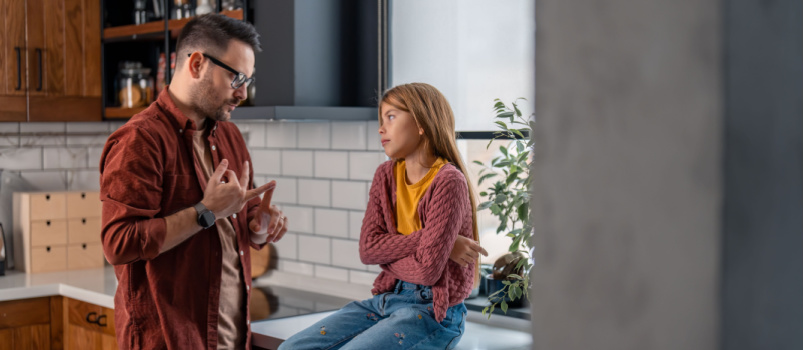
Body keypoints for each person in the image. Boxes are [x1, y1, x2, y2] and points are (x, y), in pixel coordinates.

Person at [99, 14, 288, 350]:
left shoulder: (229, 134)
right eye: (237, 77)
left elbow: (235, 218)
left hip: (230, 338)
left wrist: (257, 225)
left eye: (249, 80)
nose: (243, 92)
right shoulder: (139, 140)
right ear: (197, 63)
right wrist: (205, 211)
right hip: (169, 340)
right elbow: (119, 243)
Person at [279, 83, 488, 350]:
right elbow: (368, 250)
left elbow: (426, 271)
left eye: (391, 116)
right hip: (387, 299)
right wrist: (432, 240)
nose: (381, 128)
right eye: (381, 119)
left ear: (422, 122)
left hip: (433, 310)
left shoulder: (448, 181)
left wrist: (389, 256)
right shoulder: (385, 175)